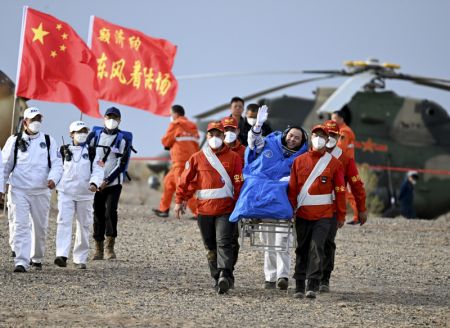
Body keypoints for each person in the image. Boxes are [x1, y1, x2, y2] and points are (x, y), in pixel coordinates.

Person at [230, 105, 308, 290]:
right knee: (268, 241)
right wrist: (257, 126)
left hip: (281, 205)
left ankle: (283, 276)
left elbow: (300, 180)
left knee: (282, 241)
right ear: (286, 134)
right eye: (291, 135)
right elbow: (253, 143)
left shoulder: (301, 158)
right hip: (262, 201)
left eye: (297, 138)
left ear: (301, 142)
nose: (293, 139)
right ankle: (270, 277)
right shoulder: (270, 143)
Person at [174, 121, 243, 294]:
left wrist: (239, 205)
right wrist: (180, 200)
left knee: (224, 242)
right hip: (204, 211)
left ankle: (225, 276)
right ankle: (216, 277)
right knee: (210, 246)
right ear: (207, 136)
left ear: (223, 136)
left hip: (226, 209)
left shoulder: (234, 157)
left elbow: (239, 183)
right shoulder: (197, 157)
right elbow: (185, 180)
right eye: (211, 135)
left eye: (218, 134)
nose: (215, 138)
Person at [288, 124, 346, 299]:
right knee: (302, 248)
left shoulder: (334, 163)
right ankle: (299, 285)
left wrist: (341, 215)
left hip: (324, 216)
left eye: (322, 136)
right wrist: (291, 210)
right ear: (311, 138)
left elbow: (340, 191)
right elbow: (292, 189)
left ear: (327, 140)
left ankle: (312, 284)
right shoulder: (299, 161)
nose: (319, 138)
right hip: (303, 215)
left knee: (317, 248)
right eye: (316, 135)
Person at [2, 107, 63, 272]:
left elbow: (57, 164)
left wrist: (53, 178)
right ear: (25, 122)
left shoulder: (49, 141)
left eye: (38, 119)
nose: (36, 122)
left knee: (40, 226)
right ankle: (21, 261)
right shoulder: (13, 141)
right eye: (32, 119)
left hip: (41, 191)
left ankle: (36, 257)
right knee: (21, 224)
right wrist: (1, 188)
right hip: (18, 190)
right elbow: (4, 166)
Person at [321, 120, 367, 292]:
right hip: (309, 207)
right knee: (308, 243)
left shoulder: (345, 159)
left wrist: (361, 209)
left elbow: (356, 185)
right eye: (327, 135)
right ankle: (309, 277)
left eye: (334, 135)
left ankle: (324, 279)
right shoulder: (311, 154)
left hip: (332, 208)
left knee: (327, 242)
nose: (330, 138)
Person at [54, 121, 104, 269]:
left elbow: (98, 170)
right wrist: (53, 182)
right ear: (71, 134)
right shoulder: (62, 150)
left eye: (84, 131)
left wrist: (95, 183)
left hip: (85, 194)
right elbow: (57, 169)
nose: (82, 134)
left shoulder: (93, 152)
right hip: (66, 193)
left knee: (84, 225)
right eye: (78, 131)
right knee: (63, 222)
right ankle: (61, 255)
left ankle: (80, 258)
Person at [88, 106, 128, 261]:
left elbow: (121, 164)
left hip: (113, 183)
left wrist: (107, 180)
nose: (112, 120)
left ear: (119, 120)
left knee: (110, 212)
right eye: (109, 117)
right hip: (95, 182)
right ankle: (98, 248)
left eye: (115, 118)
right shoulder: (94, 136)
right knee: (97, 213)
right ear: (103, 118)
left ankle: (110, 247)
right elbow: (87, 155)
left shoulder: (122, 139)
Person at [152, 105, 199, 218]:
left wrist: (169, 144)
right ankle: (164, 209)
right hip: (189, 161)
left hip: (180, 162)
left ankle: (199, 212)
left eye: (171, 114)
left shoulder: (175, 124)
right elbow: (196, 143)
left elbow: (165, 141)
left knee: (182, 188)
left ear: (176, 114)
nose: (170, 116)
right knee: (168, 182)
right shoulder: (192, 126)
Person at [331, 110, 359, 224]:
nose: (332, 121)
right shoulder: (343, 131)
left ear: (341, 118)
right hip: (344, 165)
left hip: (344, 166)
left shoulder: (344, 132)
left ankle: (357, 216)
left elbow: (340, 148)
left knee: (347, 192)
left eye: (334, 118)